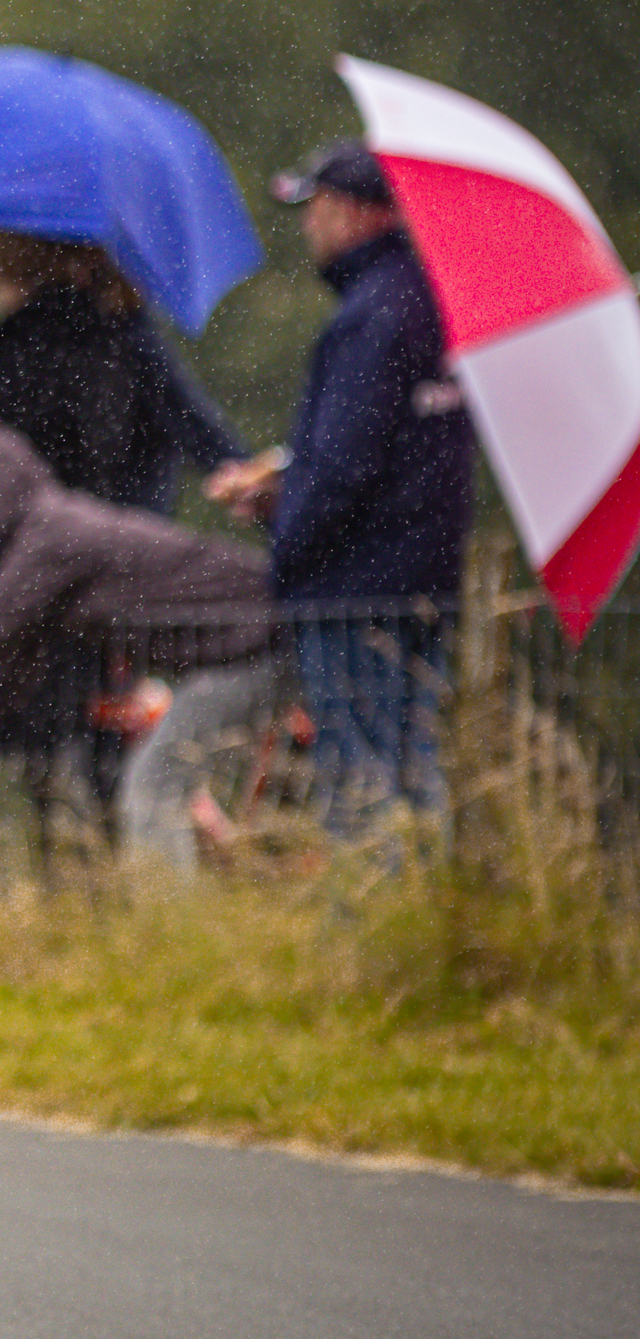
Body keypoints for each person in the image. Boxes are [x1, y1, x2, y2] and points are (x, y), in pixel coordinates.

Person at [0, 426, 274, 872]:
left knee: (155, 785)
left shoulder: (50, 540)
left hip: (261, 640)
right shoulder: (48, 532)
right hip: (256, 638)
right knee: (160, 782)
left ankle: (177, 932)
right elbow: (6, 680)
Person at [207, 141, 474, 834]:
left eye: (316, 208)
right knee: (414, 767)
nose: (308, 226)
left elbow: (342, 467)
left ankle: (372, 934)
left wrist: (285, 534)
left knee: (360, 781)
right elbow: (392, 455)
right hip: (426, 576)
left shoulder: (369, 318)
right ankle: (425, 916)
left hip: (356, 588)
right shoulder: (432, 303)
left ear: (355, 214)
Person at [0, 237, 240, 508]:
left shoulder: (24, 344)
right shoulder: (121, 333)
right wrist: (251, 478)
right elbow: (192, 423)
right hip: (126, 544)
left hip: (45, 555)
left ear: (14, 268)